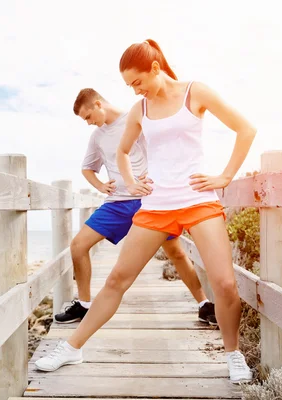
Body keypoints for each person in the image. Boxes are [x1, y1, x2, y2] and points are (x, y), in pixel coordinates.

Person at [36, 39, 256, 384]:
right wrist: (130, 182)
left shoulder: (194, 92)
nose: (134, 90)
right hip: (156, 205)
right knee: (117, 279)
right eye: (128, 85)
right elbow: (122, 152)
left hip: (198, 201)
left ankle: (233, 353)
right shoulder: (139, 110)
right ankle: (72, 348)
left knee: (225, 284)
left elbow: (246, 129)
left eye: (137, 82)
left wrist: (225, 176)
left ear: (155, 68)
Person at [53, 87, 217, 327]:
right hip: (117, 204)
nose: (88, 123)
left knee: (176, 252)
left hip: (150, 200)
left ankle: (204, 304)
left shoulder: (136, 116)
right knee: (78, 246)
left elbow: (163, 148)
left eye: (88, 117)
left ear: (98, 104)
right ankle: (85, 305)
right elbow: (87, 168)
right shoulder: (97, 137)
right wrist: (100, 185)